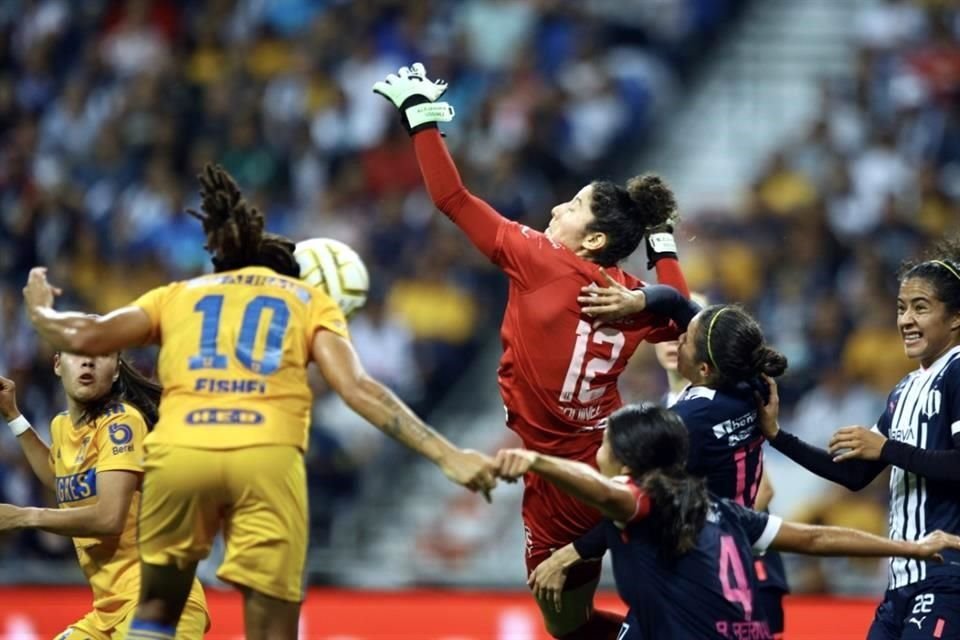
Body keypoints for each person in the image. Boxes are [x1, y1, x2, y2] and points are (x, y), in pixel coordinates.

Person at [21, 164, 496, 640]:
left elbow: (86, 333)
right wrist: (446, 454)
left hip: (181, 456)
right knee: (271, 627)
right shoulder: (307, 301)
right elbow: (360, 390)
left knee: (157, 610)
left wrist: (40, 309)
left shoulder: (177, 294)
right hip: (264, 455)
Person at [375, 62, 690, 638]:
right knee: (582, 615)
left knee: (565, 624)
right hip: (606, 459)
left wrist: (421, 119)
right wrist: (663, 246)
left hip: (559, 474)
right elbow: (683, 322)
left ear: (593, 239)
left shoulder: (540, 258)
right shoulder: (634, 297)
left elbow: (450, 197)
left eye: (570, 207)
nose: (553, 212)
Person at [495, 402, 960, 640]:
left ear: (626, 462)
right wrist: (909, 547)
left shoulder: (642, 503)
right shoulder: (724, 509)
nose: (597, 456)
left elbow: (601, 491)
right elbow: (816, 539)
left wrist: (536, 460)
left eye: (604, 447)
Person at [756, 239, 960, 640]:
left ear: (955, 317)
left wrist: (886, 448)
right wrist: (777, 435)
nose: (906, 320)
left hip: (947, 576)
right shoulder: (904, 389)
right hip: (902, 580)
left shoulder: (957, 373)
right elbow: (856, 475)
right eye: (901, 308)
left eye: (921, 307)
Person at [586, 287, 792, 636]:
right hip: (712, 559)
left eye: (685, 333)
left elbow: (764, 489)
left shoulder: (696, 415)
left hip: (723, 564)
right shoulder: (697, 401)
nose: (675, 336)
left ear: (712, 356)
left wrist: (722, 530)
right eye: (663, 330)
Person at [0, 354, 208, 639]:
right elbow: (60, 479)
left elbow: (109, 518)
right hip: (107, 612)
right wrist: (13, 416)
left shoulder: (121, 422)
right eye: (78, 353)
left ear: (115, 371)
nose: (88, 362)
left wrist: (24, 516)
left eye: (101, 354)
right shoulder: (62, 426)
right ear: (58, 364)